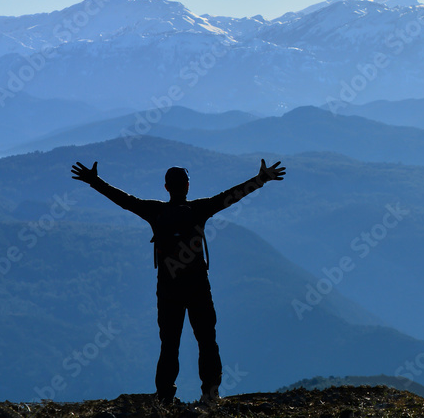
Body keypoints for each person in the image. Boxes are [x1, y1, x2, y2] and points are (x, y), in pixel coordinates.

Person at [70, 159, 286, 404]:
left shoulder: (155, 211)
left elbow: (125, 201)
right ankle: (211, 394)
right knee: (206, 340)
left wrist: (94, 181)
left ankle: (164, 397)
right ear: (187, 186)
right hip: (198, 288)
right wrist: (261, 179)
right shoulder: (199, 210)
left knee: (169, 345)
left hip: (168, 289)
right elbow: (231, 196)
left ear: (166, 187)